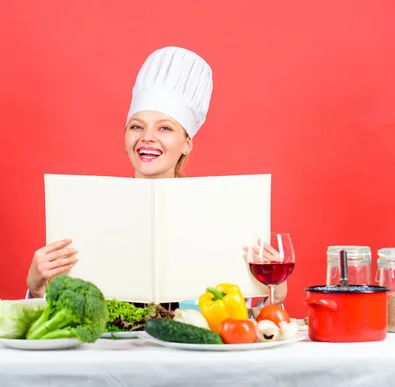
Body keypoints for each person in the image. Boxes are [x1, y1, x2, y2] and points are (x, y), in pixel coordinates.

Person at [25, 46, 287, 309]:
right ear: (126, 140)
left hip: (193, 347)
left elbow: (242, 321)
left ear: (186, 143)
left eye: (165, 128)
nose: (147, 137)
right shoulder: (87, 210)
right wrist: (36, 289)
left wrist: (272, 294)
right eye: (137, 126)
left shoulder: (220, 214)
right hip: (109, 347)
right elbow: (61, 319)